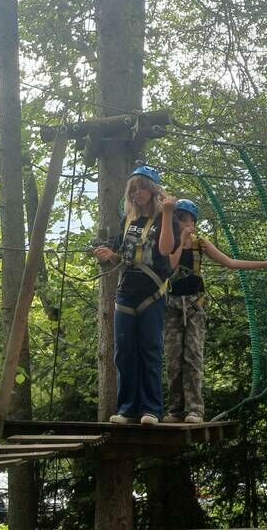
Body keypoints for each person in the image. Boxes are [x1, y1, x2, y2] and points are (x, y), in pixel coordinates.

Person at [164, 199, 267, 423]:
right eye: (181, 219)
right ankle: (175, 410)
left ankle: (195, 410)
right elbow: (170, 266)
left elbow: (230, 262)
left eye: (189, 219)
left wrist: (263, 264)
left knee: (193, 356)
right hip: (172, 306)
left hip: (194, 306)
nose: (186, 223)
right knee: (173, 359)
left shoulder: (200, 243)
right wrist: (181, 240)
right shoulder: (167, 243)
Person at [93, 165, 180, 425]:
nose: (137, 193)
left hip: (152, 292)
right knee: (124, 352)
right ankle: (128, 409)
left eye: (142, 188)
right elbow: (122, 255)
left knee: (149, 349)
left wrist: (167, 213)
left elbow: (165, 249)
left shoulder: (166, 218)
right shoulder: (127, 221)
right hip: (126, 292)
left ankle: (151, 409)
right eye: (133, 189)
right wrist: (109, 255)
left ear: (153, 190)